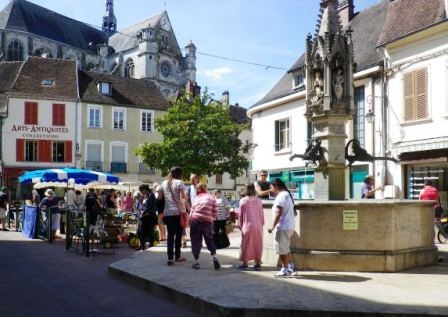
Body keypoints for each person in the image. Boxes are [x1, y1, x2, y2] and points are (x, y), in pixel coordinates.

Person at [160, 166, 190, 266]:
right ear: (179, 174)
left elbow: (159, 197)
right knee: (178, 236)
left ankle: (169, 258)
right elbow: (183, 198)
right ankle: (177, 256)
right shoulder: (180, 183)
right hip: (178, 213)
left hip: (167, 213)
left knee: (170, 236)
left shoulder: (164, 183)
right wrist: (189, 209)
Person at [267, 178, 296, 277]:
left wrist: (272, 226)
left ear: (275, 186)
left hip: (283, 227)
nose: (271, 189)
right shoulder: (287, 194)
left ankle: (285, 270)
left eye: (271, 187)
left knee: (282, 249)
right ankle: (290, 267)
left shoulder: (281, 196)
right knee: (286, 248)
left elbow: (278, 212)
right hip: (289, 226)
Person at [189, 182, 221, 270]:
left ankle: (196, 262)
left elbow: (192, 211)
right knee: (209, 240)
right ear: (206, 189)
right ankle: (215, 257)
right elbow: (215, 212)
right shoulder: (212, 198)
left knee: (196, 241)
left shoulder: (196, 198)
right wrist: (211, 218)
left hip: (195, 220)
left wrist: (190, 220)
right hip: (207, 222)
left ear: (198, 189)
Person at [237, 183, 264, 270]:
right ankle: (258, 263)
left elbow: (240, 215)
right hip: (258, 226)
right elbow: (261, 214)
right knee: (258, 244)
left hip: (247, 226)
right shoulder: (259, 200)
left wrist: (240, 226)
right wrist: (261, 223)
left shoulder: (243, 201)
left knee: (245, 244)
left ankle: (245, 263)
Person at [136, 184, 157, 250]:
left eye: (142, 191)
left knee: (150, 231)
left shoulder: (151, 195)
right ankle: (142, 245)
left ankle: (150, 245)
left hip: (150, 216)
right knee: (141, 230)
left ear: (145, 189)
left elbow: (150, 206)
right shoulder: (146, 196)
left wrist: (145, 212)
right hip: (145, 216)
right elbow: (144, 205)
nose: (142, 192)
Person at [184, 173, 199, 248]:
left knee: (200, 226)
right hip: (192, 210)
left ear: (197, 179)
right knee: (193, 226)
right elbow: (185, 200)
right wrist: (189, 208)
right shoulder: (189, 188)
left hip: (200, 210)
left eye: (193, 179)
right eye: (190, 180)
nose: (191, 181)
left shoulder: (200, 187)